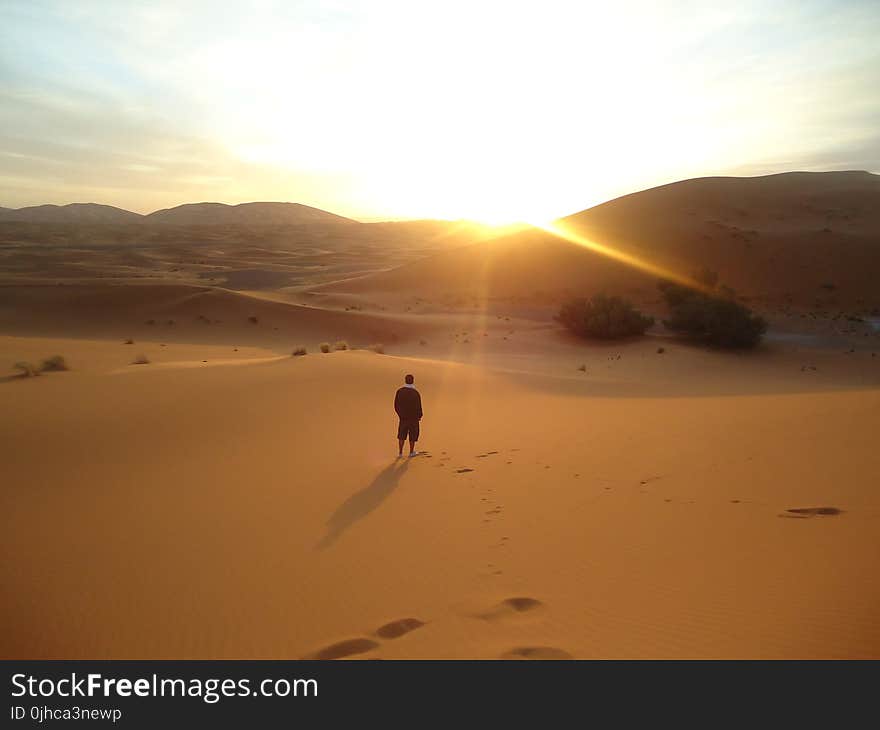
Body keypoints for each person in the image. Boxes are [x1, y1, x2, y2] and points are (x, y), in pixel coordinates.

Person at [394, 373, 423, 457]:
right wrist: (419, 416)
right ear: (413, 381)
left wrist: (400, 414)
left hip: (403, 418)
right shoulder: (415, 393)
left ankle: (400, 453)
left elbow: (396, 405)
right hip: (413, 418)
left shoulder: (400, 391)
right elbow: (419, 406)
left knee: (401, 435)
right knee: (413, 435)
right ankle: (411, 452)